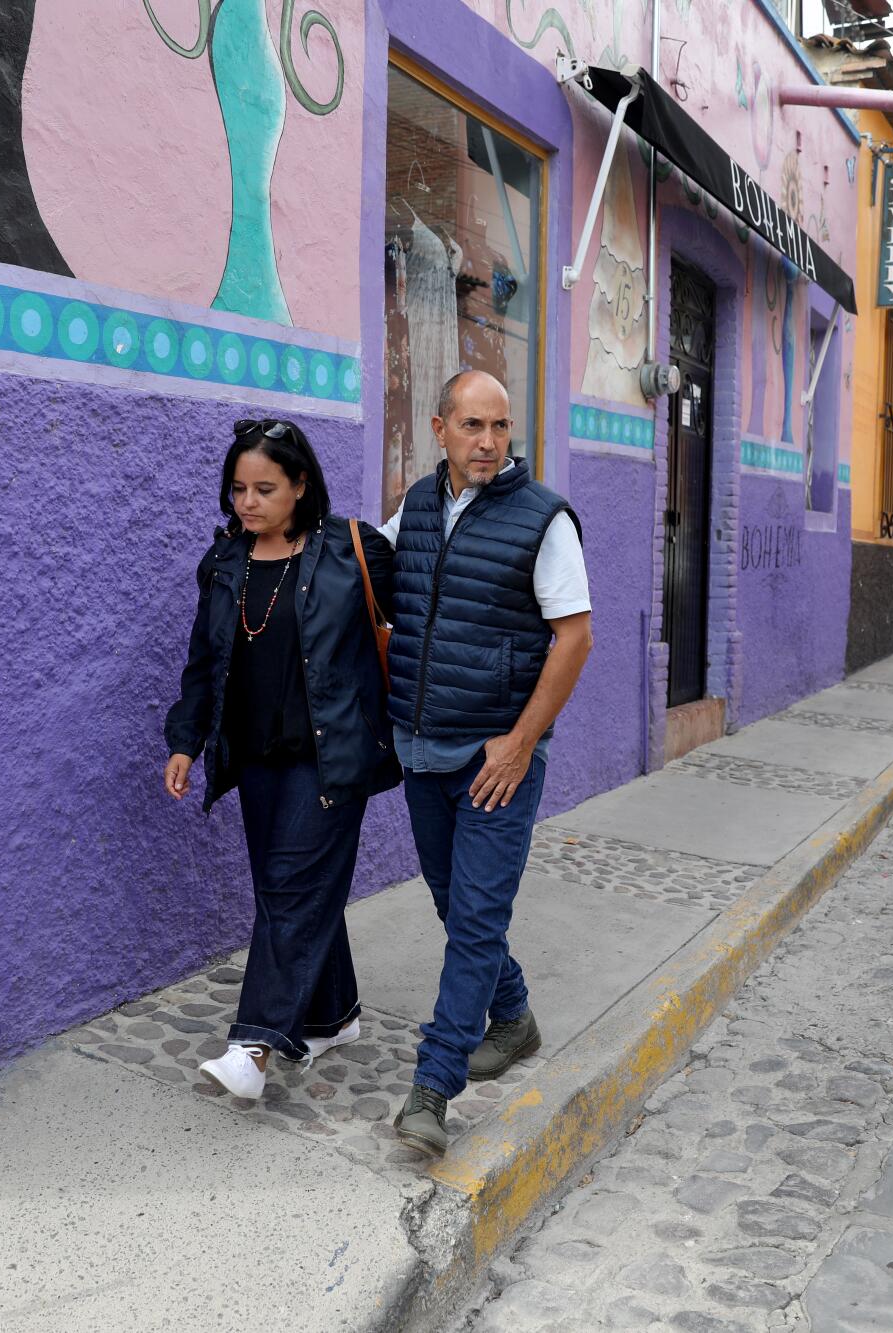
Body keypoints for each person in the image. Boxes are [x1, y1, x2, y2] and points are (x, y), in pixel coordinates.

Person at [376, 370, 594, 1154]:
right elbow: (383, 599)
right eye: (473, 426)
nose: (488, 443)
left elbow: (574, 638)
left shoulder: (543, 520)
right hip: (422, 747)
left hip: (498, 757)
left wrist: (521, 739)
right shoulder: (418, 508)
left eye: (500, 427)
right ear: (440, 428)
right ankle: (515, 1016)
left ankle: (431, 1089)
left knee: (474, 918)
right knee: (451, 902)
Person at [164, 419, 399, 1100]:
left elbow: (414, 627)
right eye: (238, 488)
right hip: (257, 759)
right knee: (285, 887)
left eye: (265, 487)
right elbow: (204, 664)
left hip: (331, 759)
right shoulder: (225, 563)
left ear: (301, 484)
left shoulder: (351, 551)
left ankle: (253, 1045)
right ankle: (333, 1013)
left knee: (292, 888)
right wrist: (187, 740)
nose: (248, 501)